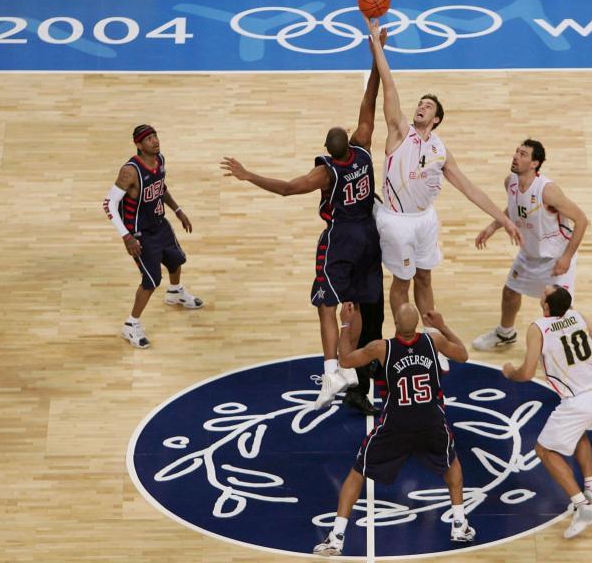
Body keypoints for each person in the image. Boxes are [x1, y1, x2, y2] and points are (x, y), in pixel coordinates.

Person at [221, 32, 386, 413]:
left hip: (342, 237)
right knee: (355, 303)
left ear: (327, 151)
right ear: (349, 140)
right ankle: (349, 365)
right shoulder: (363, 147)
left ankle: (333, 369)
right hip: (369, 236)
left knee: (324, 304)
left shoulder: (325, 173)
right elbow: (369, 100)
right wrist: (377, 55)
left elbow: (286, 189)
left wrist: (249, 176)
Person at [363, 17, 522, 329]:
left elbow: (469, 189)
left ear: (436, 120)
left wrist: (503, 220)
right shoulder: (399, 130)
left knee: (424, 278)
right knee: (401, 283)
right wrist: (377, 46)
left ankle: (432, 338)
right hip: (397, 220)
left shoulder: (440, 149)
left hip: (425, 219)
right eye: (420, 104)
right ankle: (403, 342)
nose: (421, 107)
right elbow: (389, 83)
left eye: (428, 107)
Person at [313, 302, 475, 556]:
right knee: (452, 466)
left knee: (357, 473)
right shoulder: (434, 341)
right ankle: (459, 524)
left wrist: (345, 325)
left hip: (397, 423)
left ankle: (337, 537)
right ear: (418, 326)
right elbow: (463, 355)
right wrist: (442, 326)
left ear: (396, 325)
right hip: (430, 420)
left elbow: (345, 359)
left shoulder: (382, 347)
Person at [502, 286, 592, 539]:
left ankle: (583, 506)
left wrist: (510, 372)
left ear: (545, 306)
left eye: (543, 294)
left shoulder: (538, 327)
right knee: (579, 432)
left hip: (580, 401)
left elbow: (527, 372)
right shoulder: (577, 315)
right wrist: (580, 358)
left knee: (544, 450)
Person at [473, 140, 589, 351]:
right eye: (516, 152)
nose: (516, 156)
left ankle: (565, 348)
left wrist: (567, 258)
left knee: (561, 306)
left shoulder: (548, 190)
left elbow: (581, 220)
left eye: (523, 154)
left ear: (535, 163)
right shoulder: (510, 182)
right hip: (529, 254)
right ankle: (505, 333)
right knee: (510, 293)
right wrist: (492, 227)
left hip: (556, 257)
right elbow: (515, 208)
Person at [102, 125, 203, 349]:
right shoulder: (130, 171)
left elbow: (160, 188)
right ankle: (131, 324)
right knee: (151, 281)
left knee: (176, 260)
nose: (155, 141)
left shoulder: (160, 160)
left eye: (155, 136)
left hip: (160, 224)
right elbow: (109, 203)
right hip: (140, 234)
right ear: (139, 145)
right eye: (148, 139)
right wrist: (126, 236)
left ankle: (175, 292)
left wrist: (178, 211)